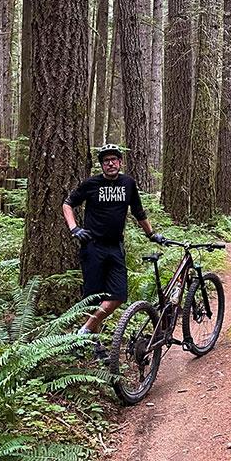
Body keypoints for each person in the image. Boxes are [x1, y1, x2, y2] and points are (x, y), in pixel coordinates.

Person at [62, 144, 161, 351]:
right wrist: (74, 229)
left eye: (114, 160)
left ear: (120, 162)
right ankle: (96, 345)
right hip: (92, 248)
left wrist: (151, 234)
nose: (110, 163)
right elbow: (68, 203)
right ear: (101, 165)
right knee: (93, 298)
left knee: (118, 295)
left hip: (115, 247)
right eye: (106, 161)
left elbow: (139, 212)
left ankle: (84, 331)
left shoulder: (128, 184)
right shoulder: (91, 184)